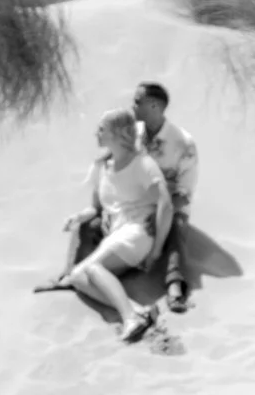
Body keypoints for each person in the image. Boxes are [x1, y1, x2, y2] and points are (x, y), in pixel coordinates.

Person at [46, 107, 172, 343]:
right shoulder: (101, 167)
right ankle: (137, 311)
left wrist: (156, 250)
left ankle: (130, 320)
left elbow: (166, 204)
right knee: (77, 277)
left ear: (118, 133)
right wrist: (79, 217)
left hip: (137, 232)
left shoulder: (142, 164)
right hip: (115, 233)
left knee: (93, 270)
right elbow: (97, 207)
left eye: (102, 129)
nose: (97, 133)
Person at [131, 81, 202, 313]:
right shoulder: (132, 136)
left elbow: (184, 193)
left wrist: (160, 213)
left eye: (137, 102)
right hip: (135, 204)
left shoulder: (183, 143)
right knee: (90, 224)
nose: (132, 106)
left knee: (174, 230)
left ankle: (174, 286)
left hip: (170, 207)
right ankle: (72, 273)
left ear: (153, 106)